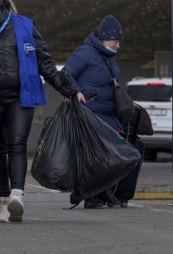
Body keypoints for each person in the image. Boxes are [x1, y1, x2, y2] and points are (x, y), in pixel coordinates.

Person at [0, 0, 75, 223]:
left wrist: (67, 89)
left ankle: (17, 196)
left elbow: (45, 62)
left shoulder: (24, 27)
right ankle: (4, 203)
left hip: (19, 97)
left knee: (16, 145)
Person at [65, 14, 142, 208]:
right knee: (110, 152)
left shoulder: (109, 58)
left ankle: (111, 194)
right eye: (116, 41)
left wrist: (128, 101)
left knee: (133, 148)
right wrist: (75, 91)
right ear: (106, 38)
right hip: (91, 116)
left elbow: (111, 87)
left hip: (108, 117)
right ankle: (97, 194)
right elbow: (65, 73)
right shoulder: (85, 53)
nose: (118, 46)